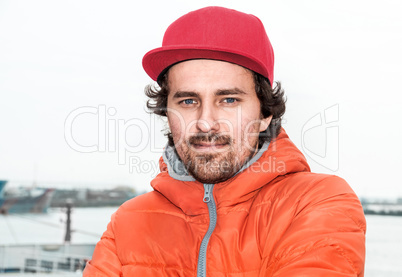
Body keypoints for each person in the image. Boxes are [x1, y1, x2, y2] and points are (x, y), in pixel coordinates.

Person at [83, 6, 366, 277]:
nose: (205, 122)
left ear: (266, 112)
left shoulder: (318, 201)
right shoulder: (129, 222)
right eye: (188, 100)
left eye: (229, 100)